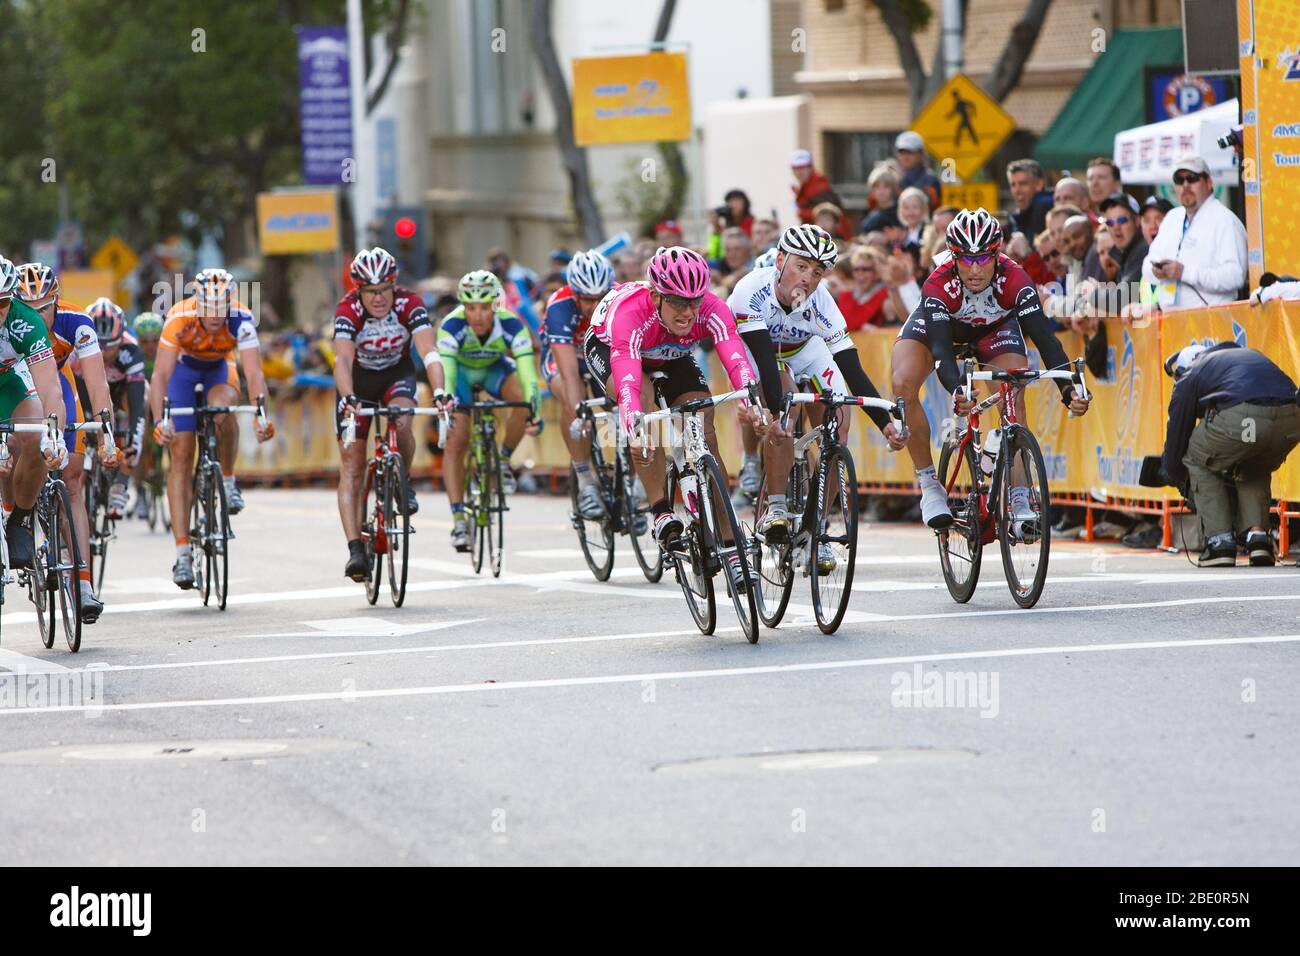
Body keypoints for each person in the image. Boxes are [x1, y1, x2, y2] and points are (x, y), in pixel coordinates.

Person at [890, 209, 1091, 529]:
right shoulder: (938, 283)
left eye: (983, 258)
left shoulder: (1016, 279)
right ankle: (929, 485)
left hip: (994, 330)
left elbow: (1046, 341)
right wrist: (958, 389)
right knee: (902, 383)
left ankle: (1020, 496)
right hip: (942, 330)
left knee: (1012, 389)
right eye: (965, 259)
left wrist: (1069, 391)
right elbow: (942, 354)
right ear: (952, 257)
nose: (974, 269)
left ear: (997, 254)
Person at [581, 246, 767, 589]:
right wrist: (633, 417)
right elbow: (627, 381)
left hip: (669, 352)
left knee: (702, 421)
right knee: (645, 413)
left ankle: (732, 547)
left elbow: (734, 357)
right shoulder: (631, 313)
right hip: (614, 348)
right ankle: (661, 511)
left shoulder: (711, 309)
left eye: (695, 302)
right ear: (655, 296)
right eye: (678, 303)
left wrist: (751, 397)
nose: (688, 312)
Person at [728, 226, 907, 559]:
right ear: (780, 260)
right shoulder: (750, 290)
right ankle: (777, 507)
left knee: (838, 426)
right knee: (785, 408)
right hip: (759, 353)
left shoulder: (823, 303)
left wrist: (885, 422)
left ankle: (817, 529)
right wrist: (773, 411)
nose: (808, 278)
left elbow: (852, 369)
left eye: (817, 271)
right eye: (801, 266)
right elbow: (767, 366)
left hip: (803, 350)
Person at [151, 268, 276, 589]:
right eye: (210, 308)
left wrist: (261, 413)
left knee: (224, 410)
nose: (217, 315)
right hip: (183, 373)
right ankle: (181, 554)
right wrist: (159, 420)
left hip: (220, 369)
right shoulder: (180, 316)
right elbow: (161, 376)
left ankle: (229, 480)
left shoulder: (242, 317)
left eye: (222, 307)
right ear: (198, 302)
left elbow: (254, 371)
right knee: (180, 455)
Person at [333, 247, 446, 581]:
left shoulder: (410, 303)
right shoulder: (347, 309)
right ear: (359, 291)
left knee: (402, 419)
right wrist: (348, 397)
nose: (379, 298)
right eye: (370, 291)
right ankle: (355, 549)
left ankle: (402, 479)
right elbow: (341, 360)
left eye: (384, 289)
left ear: (394, 286)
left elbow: (428, 350)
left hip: (397, 374)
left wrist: (439, 391)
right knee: (352, 463)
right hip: (358, 382)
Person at [16, 264, 118, 622]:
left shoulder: (77, 321)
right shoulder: (12, 323)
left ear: (56, 301)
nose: (36, 315)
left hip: (57, 381)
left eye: (43, 307)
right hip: (18, 381)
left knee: (73, 480)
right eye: (27, 306)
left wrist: (107, 436)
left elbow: (97, 384)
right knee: (20, 450)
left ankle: (84, 583)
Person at [1159, 342, 1300, 566]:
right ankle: (1259, 539)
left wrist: (1175, 474)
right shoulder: (1244, 354)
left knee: (1195, 456)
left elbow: (1177, 437)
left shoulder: (1190, 374)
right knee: (1253, 463)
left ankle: (1219, 541)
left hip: (1246, 419)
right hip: (1292, 419)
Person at [439, 270, 541, 552]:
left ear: (495, 305)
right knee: (457, 439)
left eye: (484, 308)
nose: (478, 315)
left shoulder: (512, 325)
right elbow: (446, 375)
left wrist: (535, 408)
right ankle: (459, 519)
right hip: (460, 375)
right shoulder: (451, 326)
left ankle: (504, 460)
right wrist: (448, 401)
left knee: (521, 398)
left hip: (494, 370)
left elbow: (527, 374)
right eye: (471, 308)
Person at [0, 255, 67, 572]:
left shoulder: (25, 321)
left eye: (3, 301)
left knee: (36, 434)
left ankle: (20, 519)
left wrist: (54, 437)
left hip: (9, 383)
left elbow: (50, 386)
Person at [540, 249, 615, 521]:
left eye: (599, 298)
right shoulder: (559, 305)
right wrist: (578, 411)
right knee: (572, 399)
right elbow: (569, 371)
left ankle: (630, 483)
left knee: (621, 397)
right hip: (565, 355)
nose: (594, 306)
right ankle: (585, 480)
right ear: (574, 294)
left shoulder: (618, 297)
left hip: (597, 353)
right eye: (586, 299)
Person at [1142, 155, 1248, 308]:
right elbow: (1147, 264)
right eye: (1179, 180)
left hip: (1211, 323)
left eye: (1192, 178)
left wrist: (1185, 273)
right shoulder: (1172, 217)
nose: (1185, 185)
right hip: (1172, 321)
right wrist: (1156, 271)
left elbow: (1235, 276)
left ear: (1209, 183)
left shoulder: (1225, 220)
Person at [84, 298, 147, 522]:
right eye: (98, 345)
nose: (103, 352)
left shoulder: (131, 350)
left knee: (143, 403)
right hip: (86, 390)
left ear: (121, 338)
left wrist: (134, 440)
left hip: (120, 391)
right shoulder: (77, 346)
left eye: (109, 346)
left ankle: (121, 483)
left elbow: (137, 403)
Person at [791, 149, 851, 240]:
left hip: (831, 236)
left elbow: (827, 213)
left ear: (811, 168)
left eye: (803, 167)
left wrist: (801, 212)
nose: (800, 172)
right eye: (796, 168)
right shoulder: (806, 186)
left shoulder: (819, 187)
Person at [838, 246, 890, 330]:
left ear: (876, 273)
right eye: (856, 269)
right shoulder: (846, 296)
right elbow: (842, 325)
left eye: (865, 269)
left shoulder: (885, 295)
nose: (860, 274)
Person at [1007, 159, 1055, 239]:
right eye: (1013, 185)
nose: (1017, 190)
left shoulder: (1043, 207)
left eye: (1023, 183)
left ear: (1039, 184)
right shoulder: (1019, 216)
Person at [894, 131, 941, 208]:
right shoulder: (893, 175)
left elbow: (925, 206)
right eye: (901, 152)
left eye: (910, 152)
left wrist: (901, 181)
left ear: (921, 153)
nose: (905, 157)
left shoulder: (930, 179)